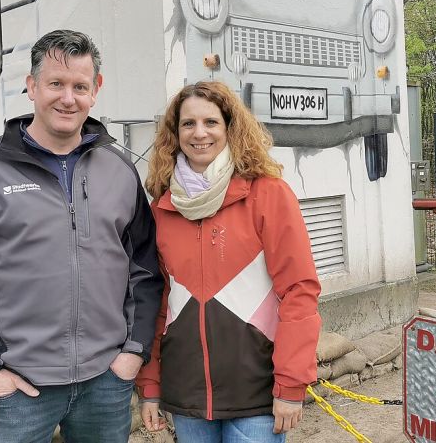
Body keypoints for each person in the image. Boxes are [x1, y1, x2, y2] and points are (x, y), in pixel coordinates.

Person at [0, 29, 164, 443]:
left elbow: (145, 271)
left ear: (96, 91)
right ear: (32, 86)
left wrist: (133, 352)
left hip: (105, 382)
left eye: (79, 86)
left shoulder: (120, 170)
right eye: (55, 84)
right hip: (17, 388)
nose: (67, 98)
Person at [136, 81, 322, 442]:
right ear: (175, 133)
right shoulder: (162, 206)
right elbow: (158, 302)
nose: (199, 133)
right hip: (187, 395)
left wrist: (291, 384)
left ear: (229, 128)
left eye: (211, 122)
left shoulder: (267, 193)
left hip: (256, 395)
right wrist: (151, 384)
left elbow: (299, 291)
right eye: (188, 123)